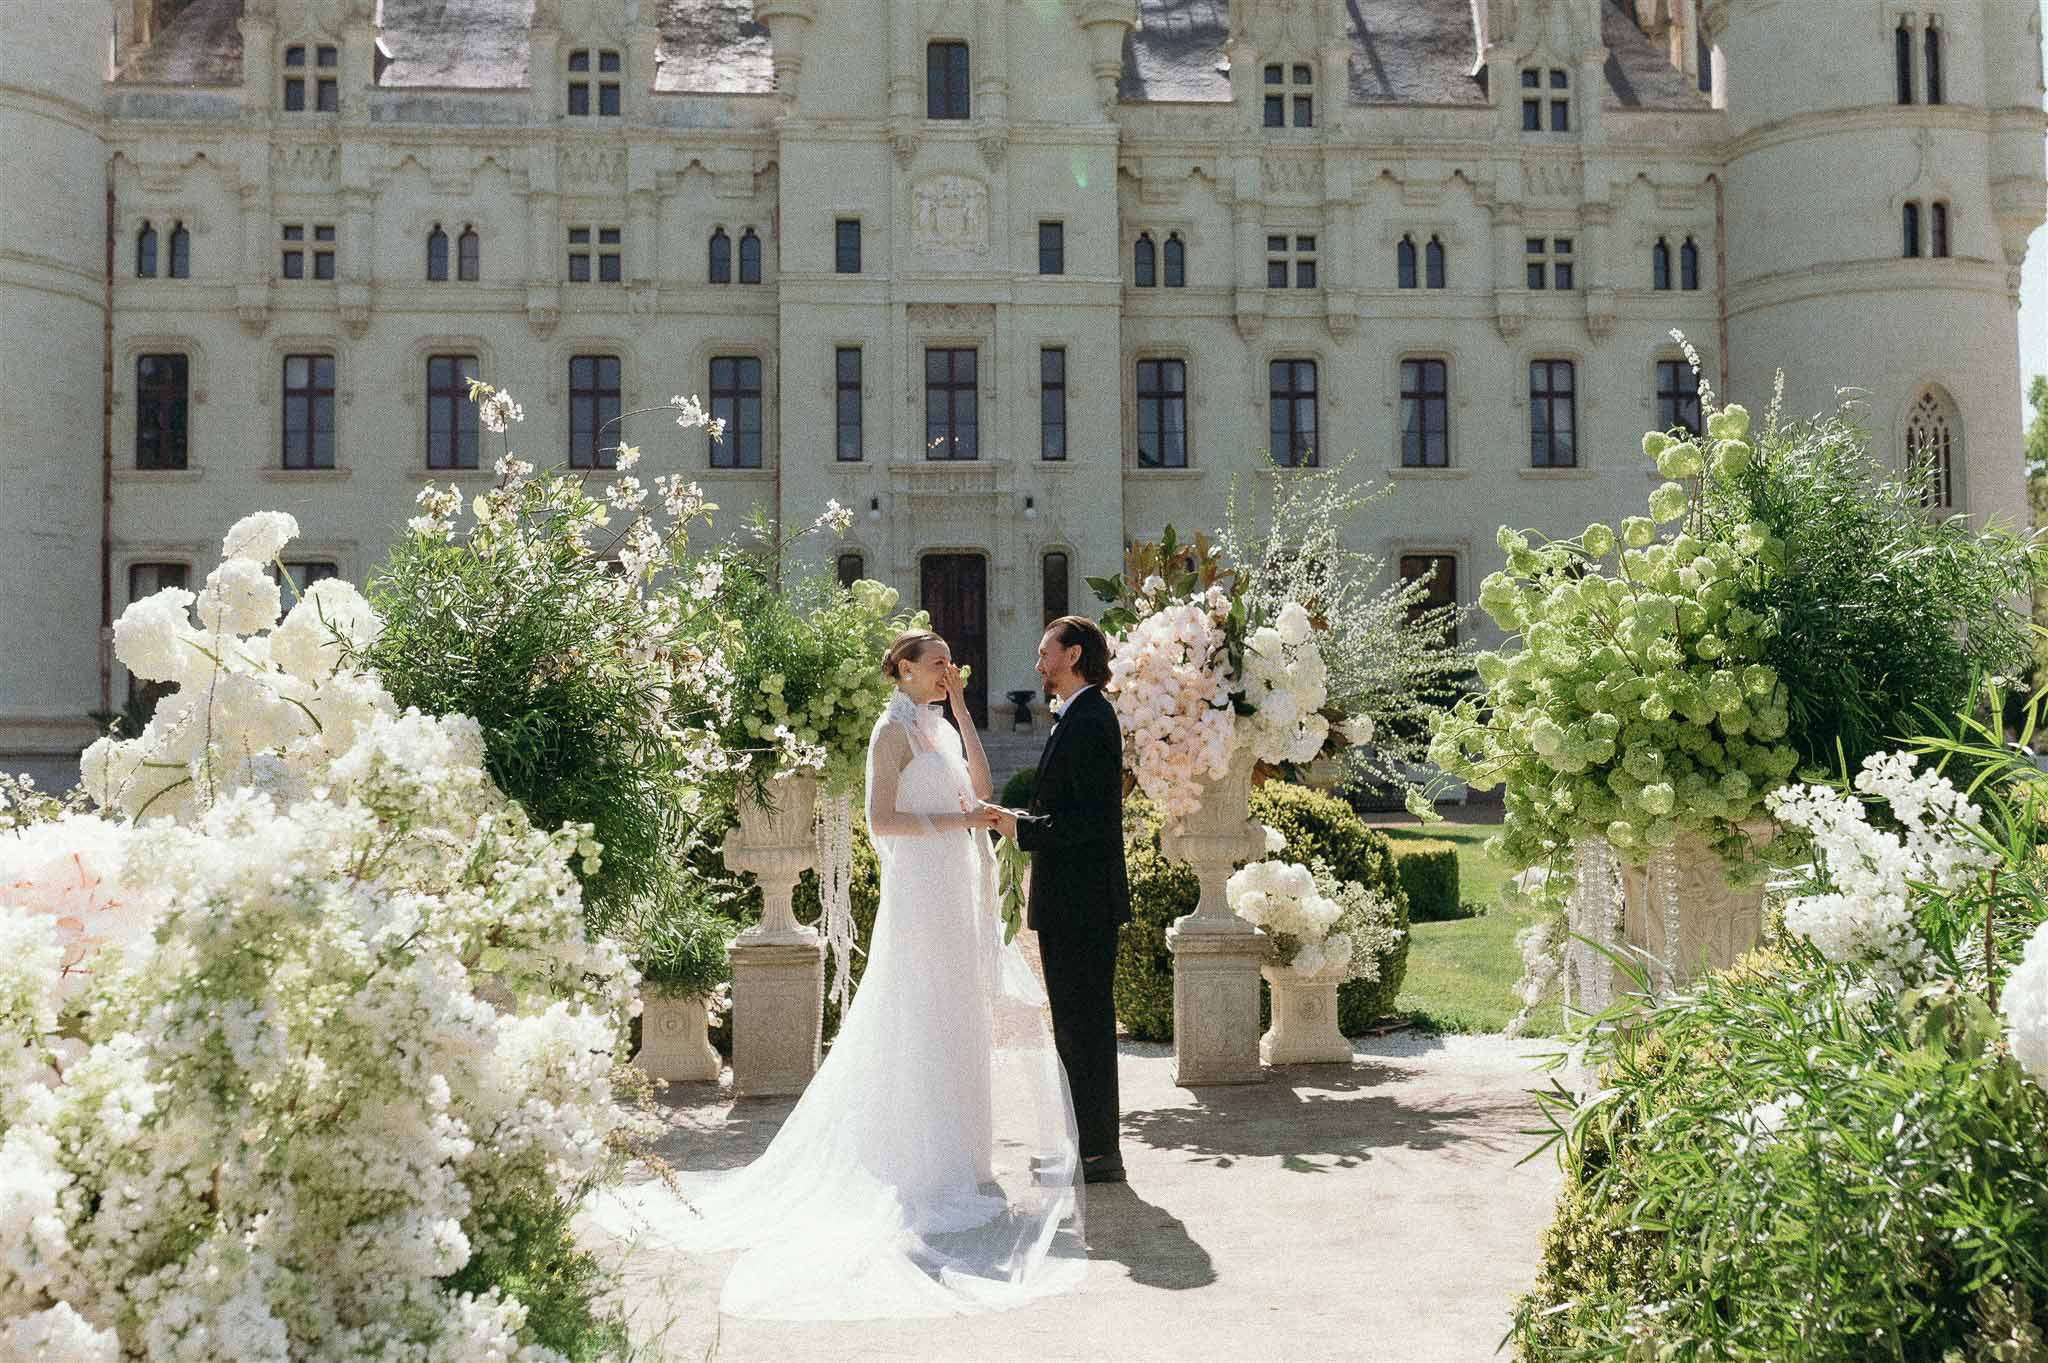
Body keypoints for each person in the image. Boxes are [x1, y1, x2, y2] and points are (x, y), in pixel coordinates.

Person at [596, 630, 1085, 1319]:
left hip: (956, 886)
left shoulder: (940, 723)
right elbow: (884, 821)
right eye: (937, 661)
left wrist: (967, 715)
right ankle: (919, 1161)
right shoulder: (890, 733)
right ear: (904, 668)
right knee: (918, 1013)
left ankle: (964, 1160)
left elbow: (981, 786)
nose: (949, 668)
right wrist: (959, 821)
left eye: (950, 660)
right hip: (920, 890)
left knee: (958, 1014)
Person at [989, 615, 1131, 1185]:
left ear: (1072, 655)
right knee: (1073, 1025)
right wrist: (1019, 821)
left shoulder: (1092, 718)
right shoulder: (1073, 717)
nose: (1038, 663)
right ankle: (1085, 1145)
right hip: (1071, 899)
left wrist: (1020, 829)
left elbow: (1093, 822)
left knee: (1086, 1025)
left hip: (1084, 901)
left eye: (1045, 651)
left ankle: (1099, 1153)